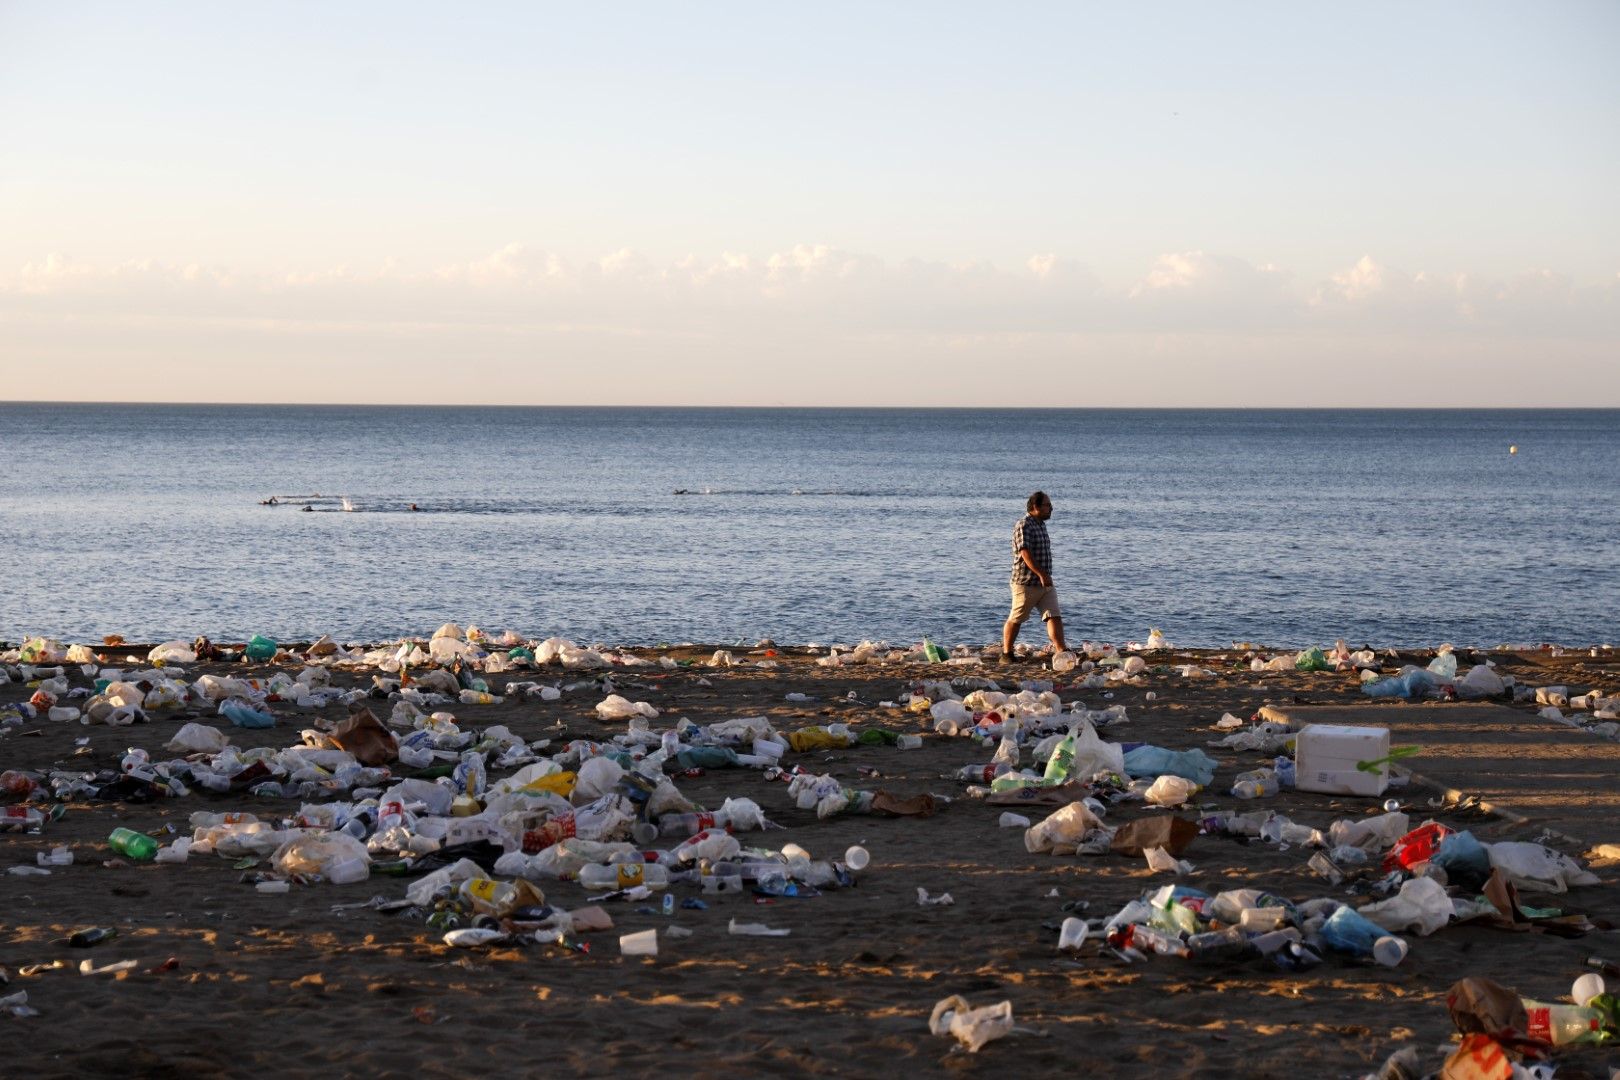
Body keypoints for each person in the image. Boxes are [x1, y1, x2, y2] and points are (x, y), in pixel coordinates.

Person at [1002, 490, 1068, 663]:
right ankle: (1007, 653)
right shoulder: (1024, 525)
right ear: (1035, 507)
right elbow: (1025, 553)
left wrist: (1045, 576)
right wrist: (1041, 574)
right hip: (1026, 582)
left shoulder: (1040, 524)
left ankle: (1062, 650)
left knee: (1053, 615)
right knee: (1016, 618)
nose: (1051, 508)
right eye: (1047, 505)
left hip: (1044, 582)